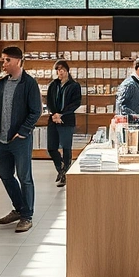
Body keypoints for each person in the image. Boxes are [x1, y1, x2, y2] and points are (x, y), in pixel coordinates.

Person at [0, 46, 42, 233]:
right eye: (3, 60)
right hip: (2, 139)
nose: (3, 64)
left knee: (24, 177)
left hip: (20, 139)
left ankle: (26, 216)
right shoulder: (1, 84)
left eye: (7, 60)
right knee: (4, 174)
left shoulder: (29, 83)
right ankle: (19, 208)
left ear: (18, 61)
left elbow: (36, 111)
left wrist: (22, 131)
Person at [46, 60, 82, 188]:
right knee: (51, 147)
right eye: (57, 70)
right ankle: (61, 168)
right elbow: (49, 101)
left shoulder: (74, 85)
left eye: (61, 70)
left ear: (67, 70)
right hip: (53, 119)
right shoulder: (53, 85)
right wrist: (54, 114)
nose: (59, 72)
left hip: (67, 120)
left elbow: (76, 103)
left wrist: (62, 114)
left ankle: (65, 174)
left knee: (66, 147)